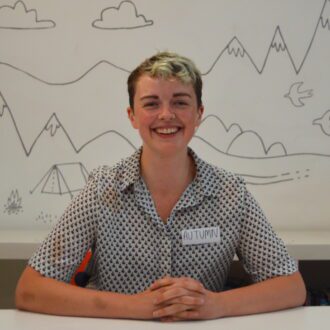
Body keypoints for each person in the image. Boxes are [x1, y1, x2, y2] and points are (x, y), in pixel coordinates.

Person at [15, 51, 306, 321]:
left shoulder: (231, 194)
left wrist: (216, 305)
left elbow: (290, 286)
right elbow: (31, 289)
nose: (166, 114)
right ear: (132, 116)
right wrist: (141, 307)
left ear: (199, 114)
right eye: (151, 103)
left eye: (180, 102)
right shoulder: (102, 189)